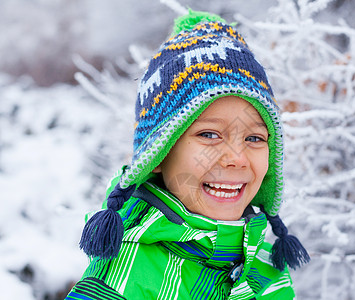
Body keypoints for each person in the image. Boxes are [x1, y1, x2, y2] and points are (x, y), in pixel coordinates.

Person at [66, 10, 309, 300]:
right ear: (158, 154)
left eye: (254, 138)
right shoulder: (127, 276)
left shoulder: (265, 267)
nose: (237, 158)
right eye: (209, 135)